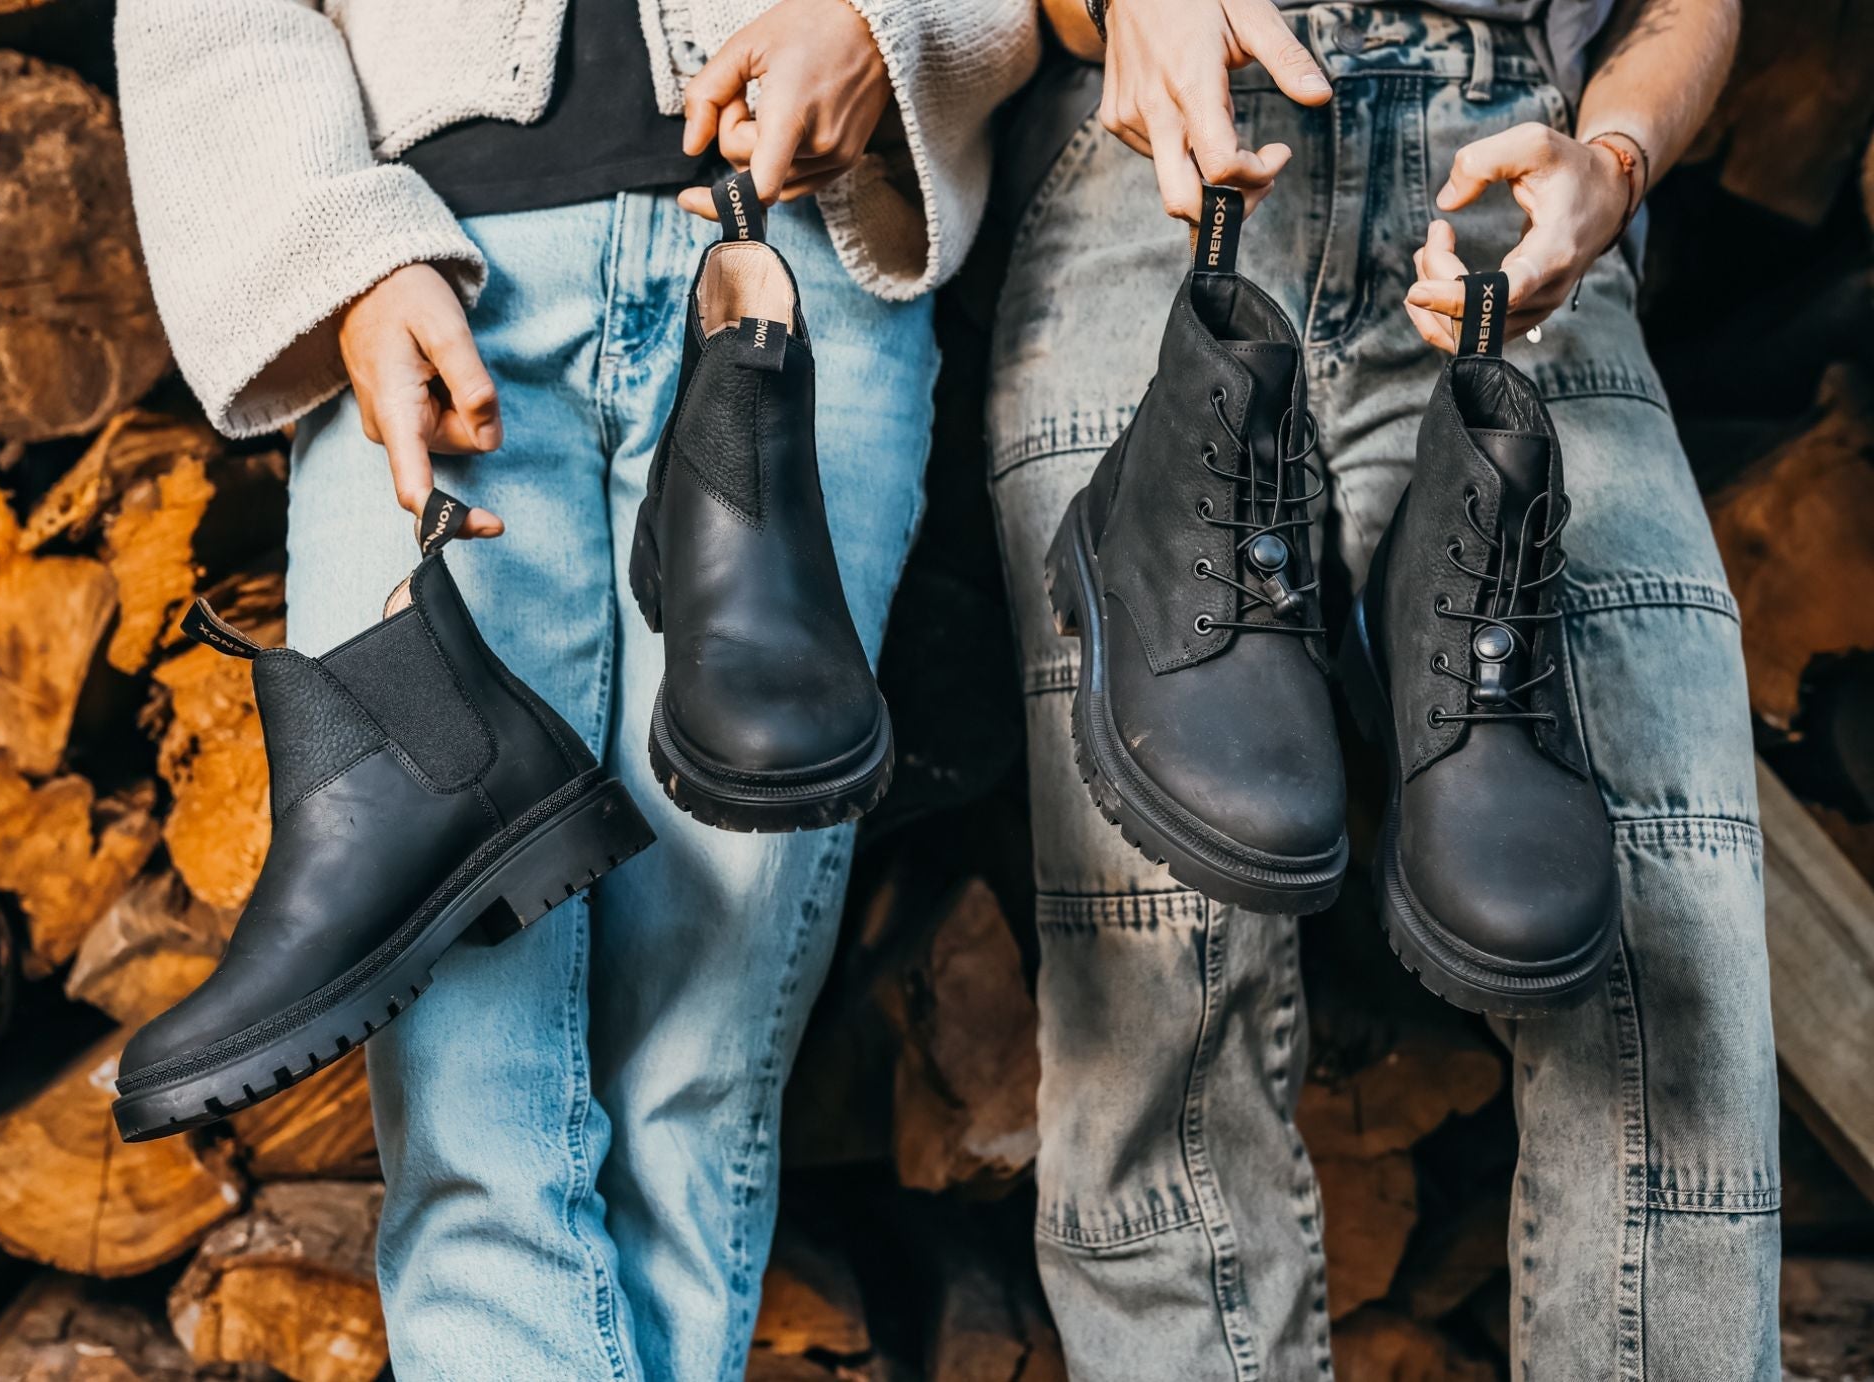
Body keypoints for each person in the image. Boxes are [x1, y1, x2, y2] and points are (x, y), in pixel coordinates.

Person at [112, 2, 1037, 1377]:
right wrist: (341, 252)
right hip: (427, 271)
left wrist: (887, 21)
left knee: (697, 1089)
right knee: (468, 1091)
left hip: (789, 283)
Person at [988, 0, 1777, 1376]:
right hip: (1173, 166)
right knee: (1159, 956)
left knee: (1676, 921)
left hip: (1515, 174)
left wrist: (1621, 155)